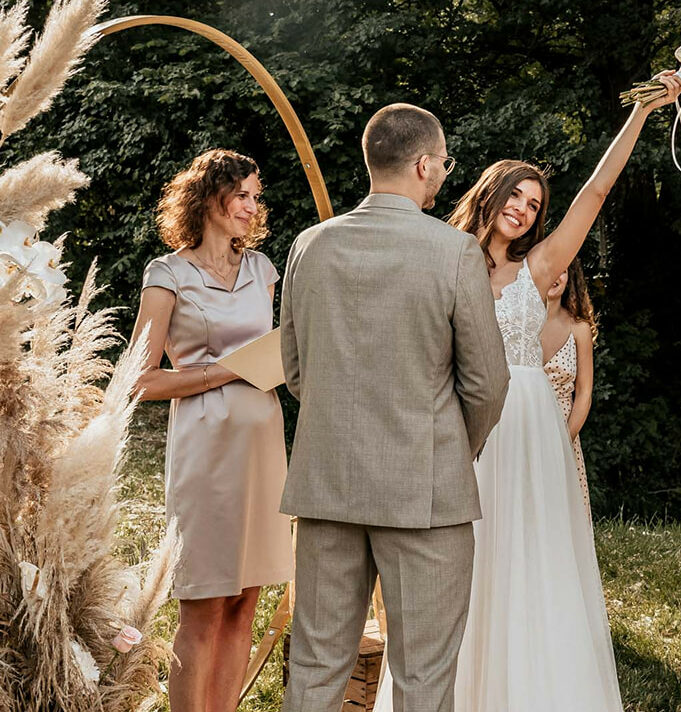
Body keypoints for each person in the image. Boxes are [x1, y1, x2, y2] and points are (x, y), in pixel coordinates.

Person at [376, 70, 681, 712]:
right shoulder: (442, 256)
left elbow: (596, 194)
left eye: (534, 204)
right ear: (489, 195)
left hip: (530, 429)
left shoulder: (537, 269)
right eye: (515, 196)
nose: (524, 209)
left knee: (532, 564)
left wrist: (642, 115)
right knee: (464, 566)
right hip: (467, 425)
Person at [279, 103, 510, 712]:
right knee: (423, 674)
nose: (443, 174)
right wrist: (452, 447)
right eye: (443, 164)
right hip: (425, 492)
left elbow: (296, 370)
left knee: (314, 663)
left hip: (327, 482)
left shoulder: (309, 246)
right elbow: (487, 383)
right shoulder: (455, 252)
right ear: (424, 164)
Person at [130, 149, 293, 712]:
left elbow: (277, 352)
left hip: (262, 445)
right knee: (203, 602)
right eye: (242, 194)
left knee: (245, 601)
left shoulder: (263, 269)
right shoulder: (168, 273)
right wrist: (225, 370)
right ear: (209, 198)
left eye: (256, 195)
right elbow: (139, 380)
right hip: (205, 449)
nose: (252, 206)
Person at [541, 257, 597, 518]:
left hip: (563, 427)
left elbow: (584, 392)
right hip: (518, 423)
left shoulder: (579, 328)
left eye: (561, 270)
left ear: (570, 277)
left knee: (559, 511)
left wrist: (563, 439)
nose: (555, 276)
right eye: (550, 268)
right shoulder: (519, 322)